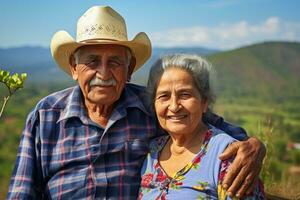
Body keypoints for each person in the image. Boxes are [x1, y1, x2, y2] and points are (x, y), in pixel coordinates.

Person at [7, 5, 265, 199]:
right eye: (92, 61)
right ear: (74, 67)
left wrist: (254, 145)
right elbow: (21, 192)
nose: (104, 74)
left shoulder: (153, 106)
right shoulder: (45, 117)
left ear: (129, 69)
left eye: (115, 62)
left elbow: (211, 127)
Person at [139, 54, 265, 199]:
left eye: (185, 94)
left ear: (204, 102)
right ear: (154, 104)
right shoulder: (153, 150)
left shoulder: (228, 156)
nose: (174, 106)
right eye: (164, 96)